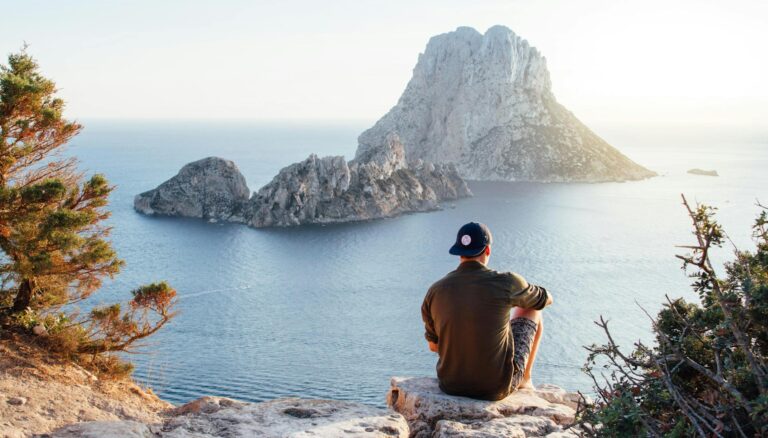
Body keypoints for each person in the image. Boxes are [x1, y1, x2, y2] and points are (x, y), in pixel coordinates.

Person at [421, 222, 552, 401]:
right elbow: (545, 299)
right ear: (487, 250)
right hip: (495, 388)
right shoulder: (506, 282)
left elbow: (434, 346)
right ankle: (525, 379)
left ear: (459, 253)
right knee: (533, 308)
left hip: (450, 385)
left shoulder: (435, 290)